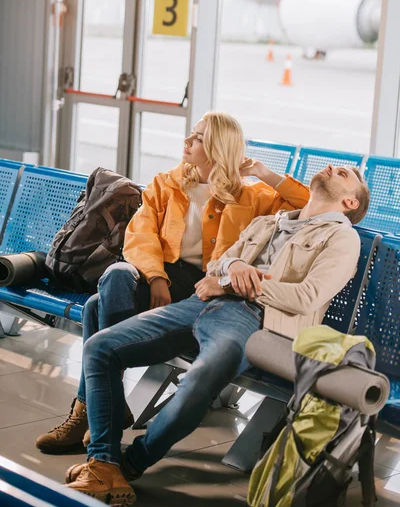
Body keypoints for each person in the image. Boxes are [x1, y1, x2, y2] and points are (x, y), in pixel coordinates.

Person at [62, 163, 370, 507]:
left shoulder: (342, 238)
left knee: (201, 379)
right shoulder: (268, 222)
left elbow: (306, 297)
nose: (332, 169)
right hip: (199, 304)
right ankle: (103, 463)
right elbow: (218, 264)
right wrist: (231, 270)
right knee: (100, 347)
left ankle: (131, 463)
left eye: (345, 174)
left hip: (256, 321)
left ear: (351, 203)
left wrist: (237, 281)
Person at [36, 111, 309, 454]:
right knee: (116, 275)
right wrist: (155, 277)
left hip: (206, 288)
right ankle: (109, 404)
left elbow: (313, 205)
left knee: (95, 307)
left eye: (196, 139)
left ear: (216, 148)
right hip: (162, 277)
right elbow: (140, 235)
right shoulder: (166, 183)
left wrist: (264, 173)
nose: (186, 143)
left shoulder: (251, 197)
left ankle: (93, 408)